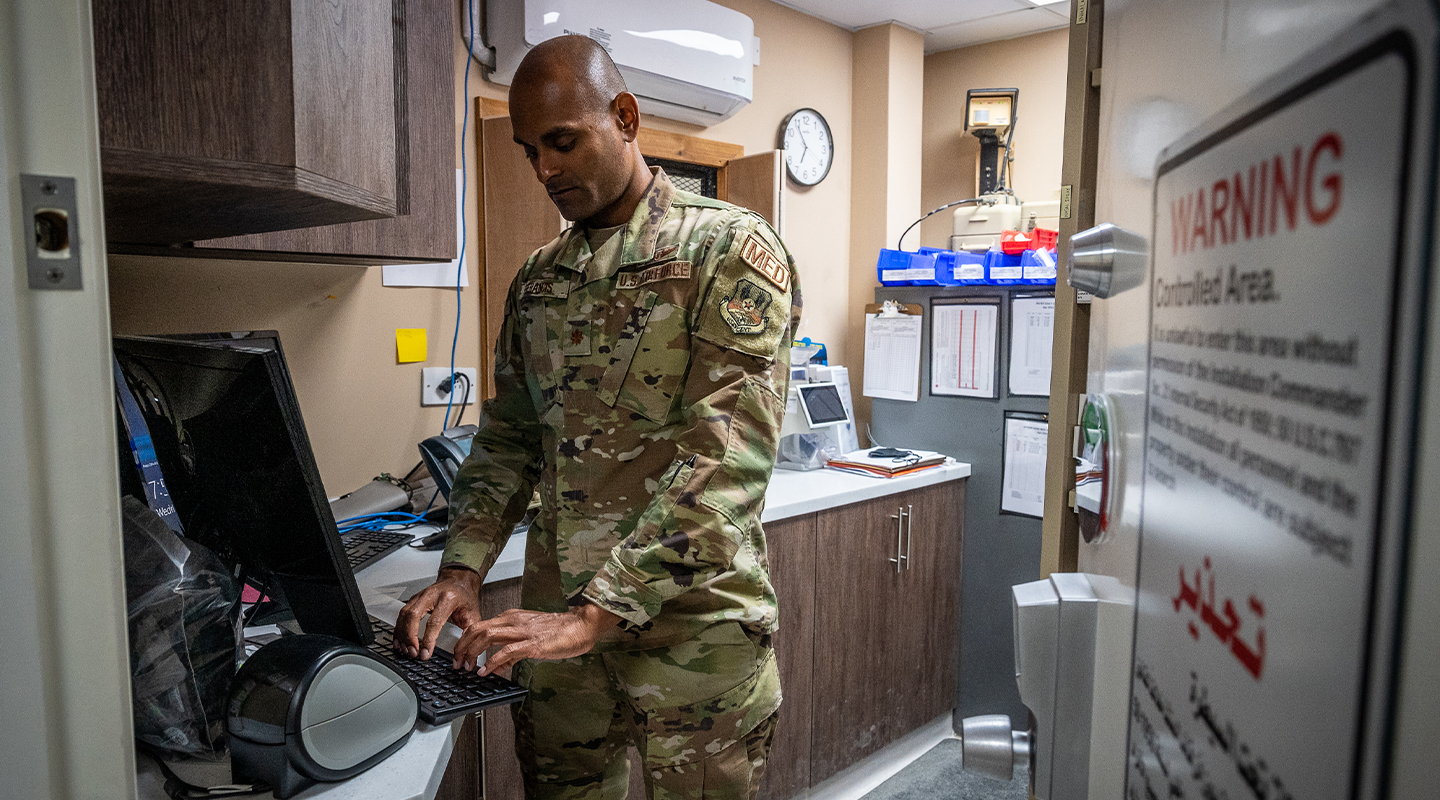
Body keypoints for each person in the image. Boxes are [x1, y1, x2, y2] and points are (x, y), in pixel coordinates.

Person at [395, 34, 802, 800]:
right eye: (528, 151)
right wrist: (463, 566)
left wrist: (594, 615)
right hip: (561, 641)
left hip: (693, 636)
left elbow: (725, 466)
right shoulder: (540, 279)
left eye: (562, 141)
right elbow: (510, 436)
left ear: (624, 117)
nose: (546, 169)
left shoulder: (728, 251)